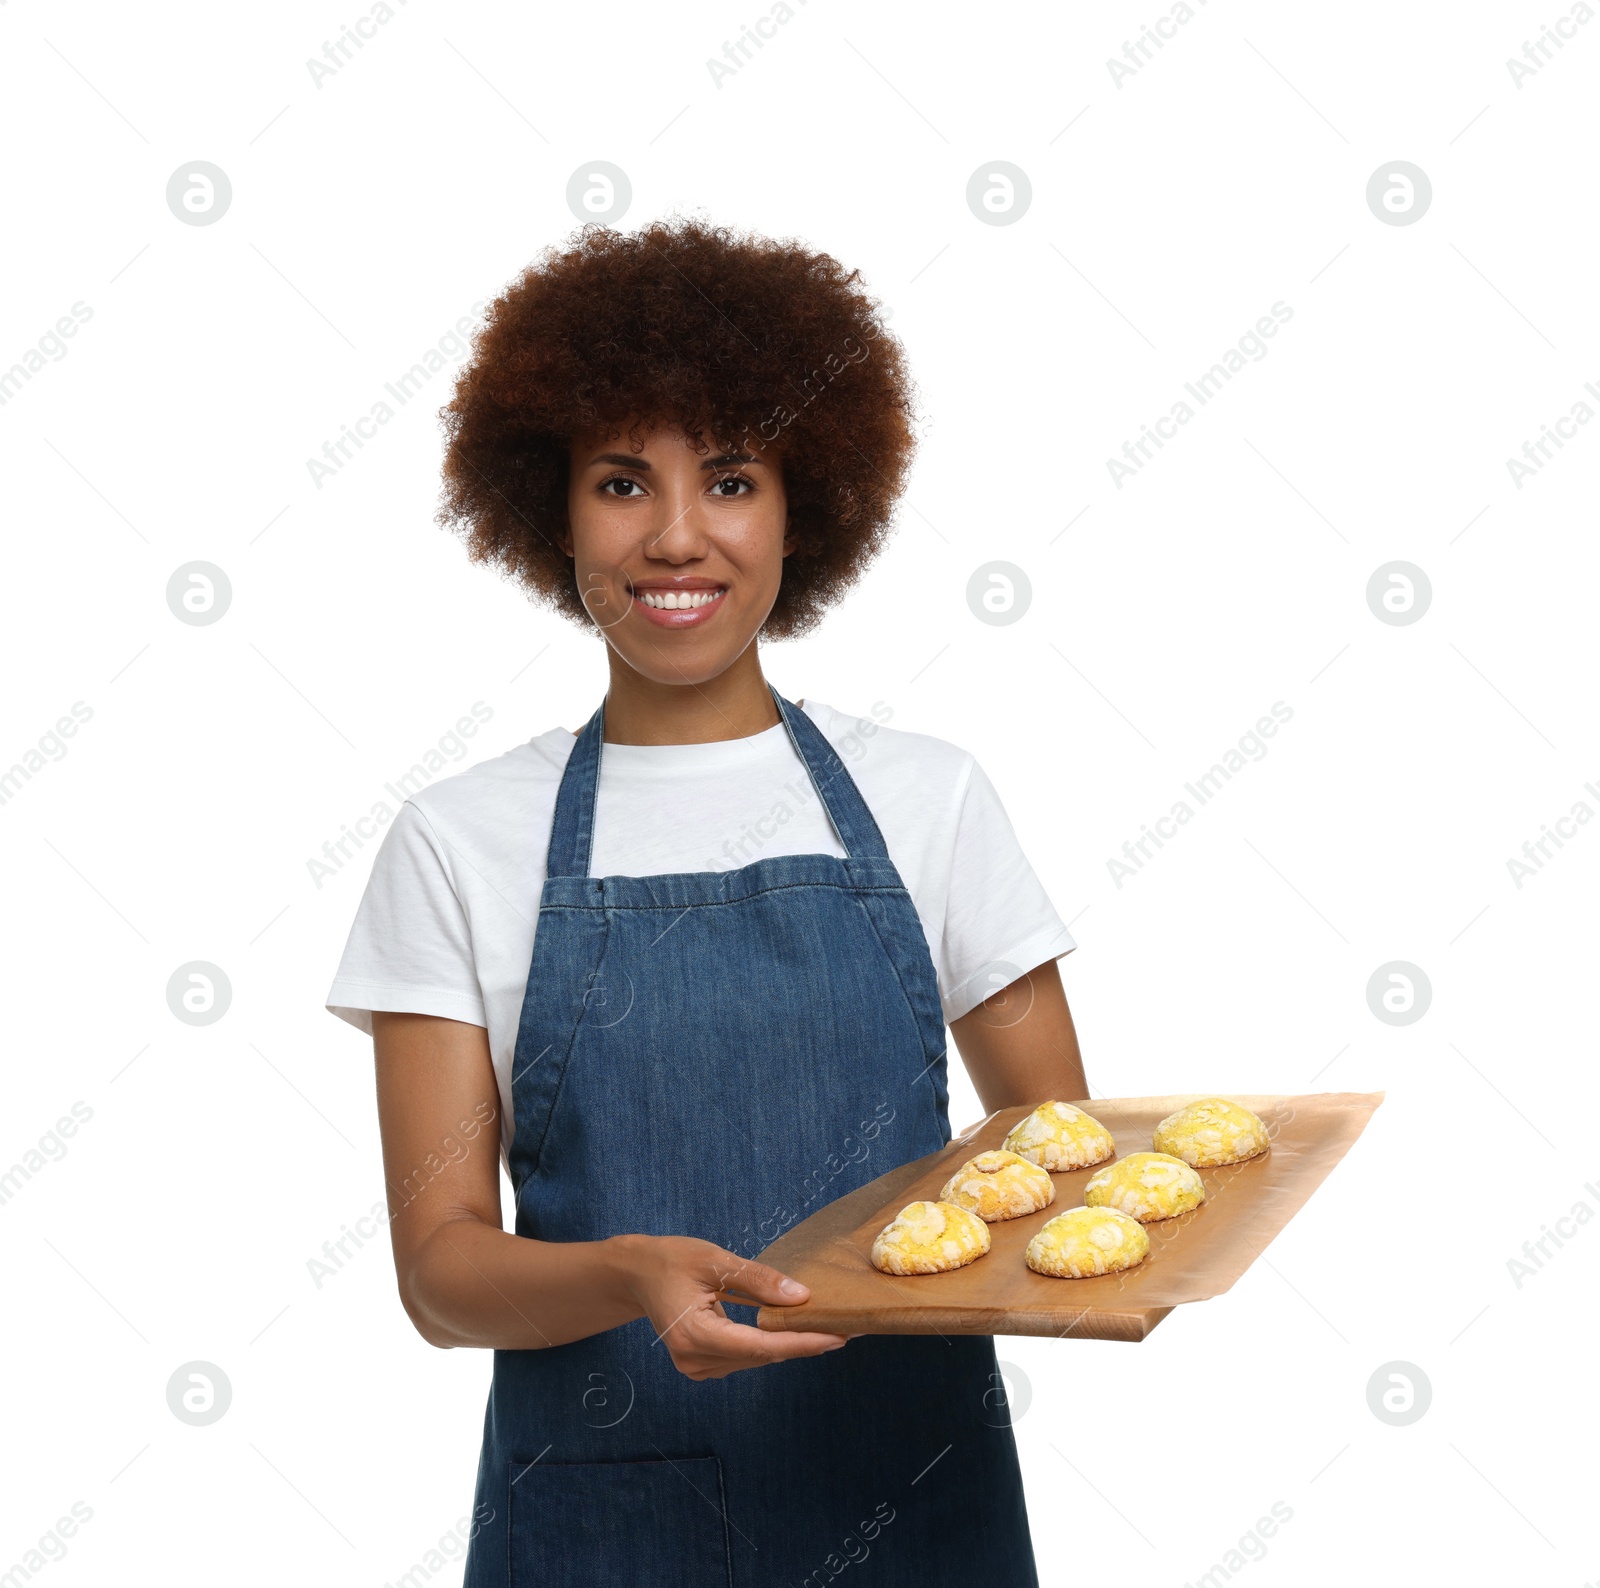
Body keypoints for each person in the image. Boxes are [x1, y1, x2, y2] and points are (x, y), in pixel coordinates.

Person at [325, 217, 1087, 1586]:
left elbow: (1060, 1158)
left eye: (731, 479)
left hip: (913, 1505)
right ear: (551, 514)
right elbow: (442, 1276)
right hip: (601, 1525)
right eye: (623, 483)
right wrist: (630, 1278)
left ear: (807, 507)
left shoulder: (931, 799)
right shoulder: (460, 841)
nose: (677, 537)